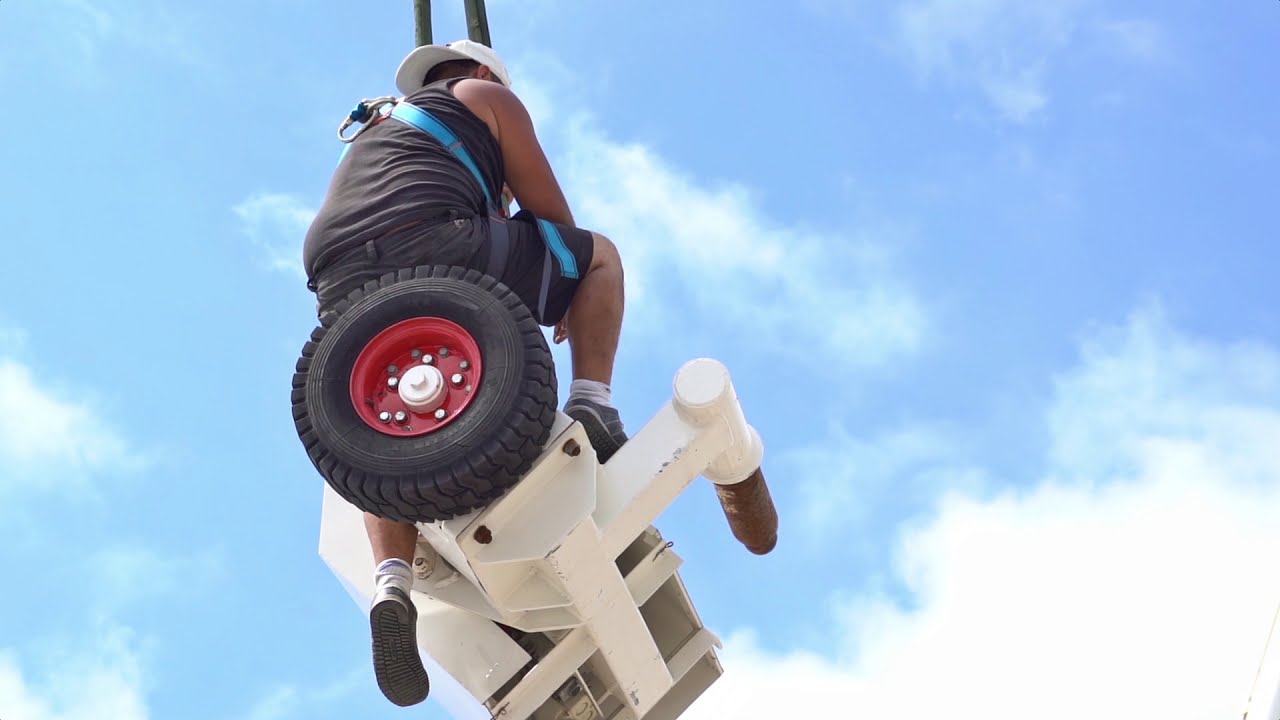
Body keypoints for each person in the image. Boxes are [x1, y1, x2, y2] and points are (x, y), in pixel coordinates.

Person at [300, 40, 628, 707]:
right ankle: (595, 406)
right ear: (482, 75)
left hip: (333, 266)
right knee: (600, 259)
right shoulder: (484, 97)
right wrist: (558, 292)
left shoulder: (376, 132)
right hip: (425, 232)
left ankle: (391, 580)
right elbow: (553, 216)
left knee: (378, 428)